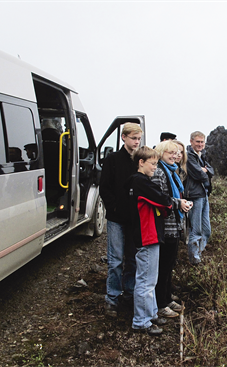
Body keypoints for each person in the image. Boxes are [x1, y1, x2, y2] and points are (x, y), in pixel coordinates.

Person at [126, 146, 172, 336]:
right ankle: (141, 321)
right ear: (141, 162)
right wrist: (167, 204)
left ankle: (151, 313)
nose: (155, 167)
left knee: (150, 279)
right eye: (152, 164)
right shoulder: (140, 182)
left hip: (149, 235)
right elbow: (163, 200)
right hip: (147, 235)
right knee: (145, 280)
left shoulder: (138, 181)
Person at [99, 122, 143, 317]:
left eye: (139, 139)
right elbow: (104, 187)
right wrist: (114, 207)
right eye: (134, 138)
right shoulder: (113, 159)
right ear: (123, 137)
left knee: (133, 259)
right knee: (115, 260)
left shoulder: (140, 161)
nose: (136, 142)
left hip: (135, 218)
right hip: (117, 218)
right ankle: (112, 298)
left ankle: (130, 294)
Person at [152, 141, 192, 318]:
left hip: (173, 225)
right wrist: (179, 203)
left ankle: (167, 298)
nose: (174, 156)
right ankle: (161, 304)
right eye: (170, 153)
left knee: (169, 264)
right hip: (164, 226)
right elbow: (160, 199)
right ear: (161, 153)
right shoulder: (159, 173)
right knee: (163, 266)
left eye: (176, 153)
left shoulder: (172, 171)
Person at [184, 131, 214, 265]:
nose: (200, 144)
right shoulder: (189, 156)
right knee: (196, 230)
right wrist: (205, 171)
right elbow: (199, 175)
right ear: (191, 142)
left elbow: (212, 170)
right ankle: (194, 260)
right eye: (197, 142)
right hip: (194, 195)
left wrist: (206, 170)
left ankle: (198, 255)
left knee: (206, 230)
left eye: (202, 142)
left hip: (203, 194)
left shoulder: (202, 155)